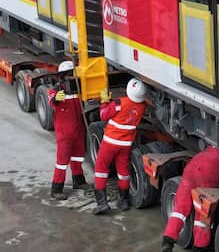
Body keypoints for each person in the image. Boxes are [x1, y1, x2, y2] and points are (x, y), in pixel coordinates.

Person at [160, 146, 219, 252]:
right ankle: (200, 251)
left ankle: (168, 240)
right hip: (210, 171)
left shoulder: (215, 145)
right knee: (203, 213)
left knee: (180, 208)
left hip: (192, 166)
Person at [93, 78, 148, 215]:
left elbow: (103, 115)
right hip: (125, 145)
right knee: (123, 172)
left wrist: (104, 101)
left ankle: (102, 203)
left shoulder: (119, 103)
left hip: (110, 142)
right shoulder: (142, 107)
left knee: (101, 169)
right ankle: (123, 201)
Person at [48, 61, 89, 200]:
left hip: (78, 130)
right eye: (69, 74)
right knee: (62, 161)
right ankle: (56, 189)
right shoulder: (57, 90)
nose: (72, 77)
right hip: (64, 133)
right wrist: (55, 99)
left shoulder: (79, 88)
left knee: (78, 157)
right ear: (62, 76)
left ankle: (79, 181)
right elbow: (51, 100)